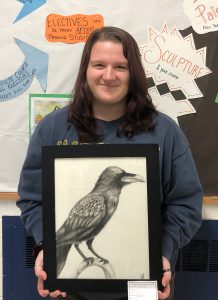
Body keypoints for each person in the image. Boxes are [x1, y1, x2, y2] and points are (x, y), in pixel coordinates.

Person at [17, 26, 203, 300]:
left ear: (134, 73)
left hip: (143, 287)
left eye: (120, 66)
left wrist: (162, 252)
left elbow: (185, 204)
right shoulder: (53, 130)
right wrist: (47, 247)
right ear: (86, 70)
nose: (108, 75)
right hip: (69, 289)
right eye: (99, 65)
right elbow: (33, 199)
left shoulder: (165, 132)